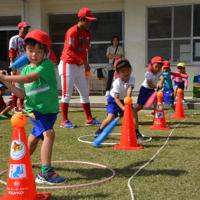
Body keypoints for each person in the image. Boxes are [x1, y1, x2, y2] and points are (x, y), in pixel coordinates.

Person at [0, 29, 66, 184]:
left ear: (45, 53)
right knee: (49, 134)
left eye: (38, 51)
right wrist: (5, 81)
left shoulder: (47, 65)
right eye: (30, 51)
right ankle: (46, 173)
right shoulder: (25, 70)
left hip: (50, 111)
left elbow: (30, 78)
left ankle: (21, 161)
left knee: (34, 138)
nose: (34, 54)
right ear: (25, 52)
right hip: (35, 110)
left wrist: (5, 76)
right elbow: (21, 94)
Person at [58, 7, 101, 128]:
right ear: (81, 19)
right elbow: (69, 51)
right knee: (67, 94)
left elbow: (85, 50)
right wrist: (83, 62)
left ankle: (89, 119)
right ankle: (64, 121)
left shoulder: (87, 33)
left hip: (79, 65)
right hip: (68, 64)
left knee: (85, 93)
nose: (90, 22)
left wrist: (86, 64)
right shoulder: (72, 31)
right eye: (88, 20)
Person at [95, 58, 152, 143]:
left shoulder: (132, 78)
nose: (126, 73)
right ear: (118, 73)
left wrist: (128, 102)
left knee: (134, 112)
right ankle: (99, 130)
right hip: (113, 100)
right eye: (123, 71)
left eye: (128, 70)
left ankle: (136, 132)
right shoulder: (116, 83)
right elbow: (116, 98)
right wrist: (123, 107)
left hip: (124, 100)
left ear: (131, 70)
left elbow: (129, 89)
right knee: (111, 117)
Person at [8, 21, 30, 111]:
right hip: (16, 66)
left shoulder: (28, 39)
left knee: (23, 87)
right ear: (19, 29)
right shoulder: (14, 39)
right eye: (24, 28)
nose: (26, 30)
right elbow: (11, 52)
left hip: (25, 66)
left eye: (27, 28)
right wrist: (13, 66)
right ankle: (14, 107)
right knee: (16, 86)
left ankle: (21, 106)